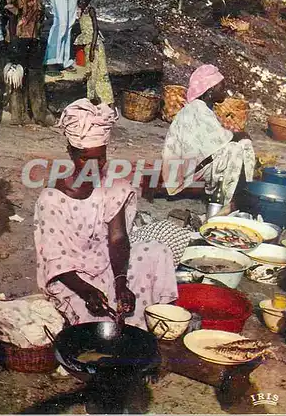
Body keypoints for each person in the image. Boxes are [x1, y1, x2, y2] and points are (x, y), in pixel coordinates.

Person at [34, 99, 178, 329]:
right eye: (85, 158)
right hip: (74, 277)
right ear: (70, 153)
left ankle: (154, 320)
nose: (94, 166)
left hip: (109, 265)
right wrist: (86, 290)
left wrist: (121, 282)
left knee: (156, 251)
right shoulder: (52, 199)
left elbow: (118, 238)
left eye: (100, 158)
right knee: (90, 320)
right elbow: (56, 261)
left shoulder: (113, 186)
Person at [161, 65, 256, 206]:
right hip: (181, 173)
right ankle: (227, 200)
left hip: (188, 166)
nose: (225, 92)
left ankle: (236, 192)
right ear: (210, 90)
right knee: (235, 150)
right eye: (222, 88)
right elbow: (220, 140)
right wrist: (240, 135)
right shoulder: (197, 109)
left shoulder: (201, 108)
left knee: (238, 146)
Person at [3, 0, 47, 125]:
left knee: (35, 75)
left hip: (33, 36)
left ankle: (38, 113)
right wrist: (13, 41)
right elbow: (11, 15)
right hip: (20, 37)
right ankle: (18, 115)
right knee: (18, 77)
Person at [74, 0, 114, 106]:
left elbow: (96, 30)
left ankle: (105, 101)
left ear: (89, 0)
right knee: (92, 73)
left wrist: (91, 49)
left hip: (95, 46)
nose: (81, 2)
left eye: (83, 0)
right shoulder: (81, 12)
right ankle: (95, 100)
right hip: (88, 46)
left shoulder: (90, 10)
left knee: (98, 73)